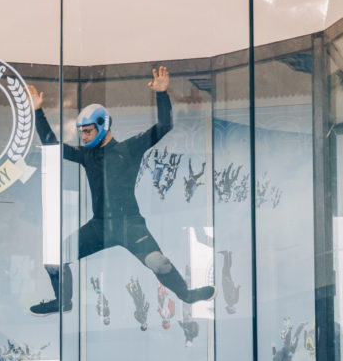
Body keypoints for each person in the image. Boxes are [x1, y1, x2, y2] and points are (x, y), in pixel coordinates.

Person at [28, 67, 215, 316]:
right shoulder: (87, 155)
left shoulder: (128, 149)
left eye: (87, 131)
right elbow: (52, 146)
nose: (83, 137)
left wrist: (161, 93)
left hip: (130, 224)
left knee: (158, 263)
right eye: (81, 132)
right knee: (53, 256)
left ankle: (186, 294)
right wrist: (37, 111)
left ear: (103, 126)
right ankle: (63, 301)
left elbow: (164, 126)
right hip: (100, 225)